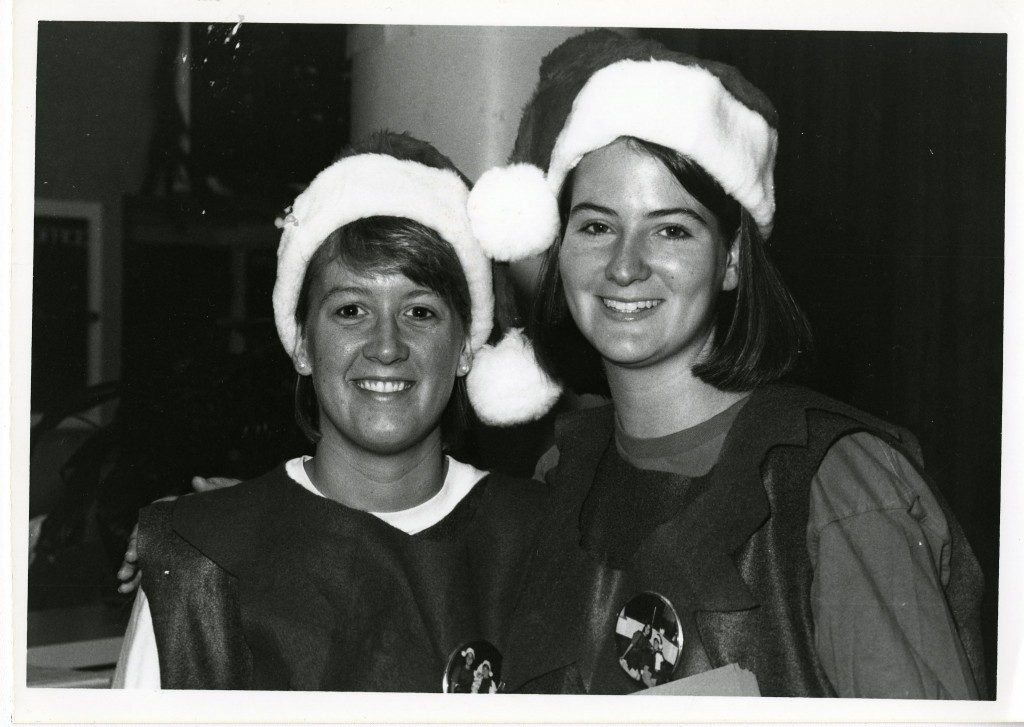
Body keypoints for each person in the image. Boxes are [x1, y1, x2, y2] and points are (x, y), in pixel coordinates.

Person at [466, 30, 986, 698]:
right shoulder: (563, 476)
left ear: (733, 257)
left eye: (671, 228)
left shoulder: (834, 484)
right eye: (596, 225)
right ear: (557, 244)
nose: (625, 265)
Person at [111, 131, 560, 690]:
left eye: (420, 312)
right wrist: (208, 525)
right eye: (351, 310)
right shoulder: (201, 562)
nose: (387, 345)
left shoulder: (541, 537)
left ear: (466, 345)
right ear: (301, 342)